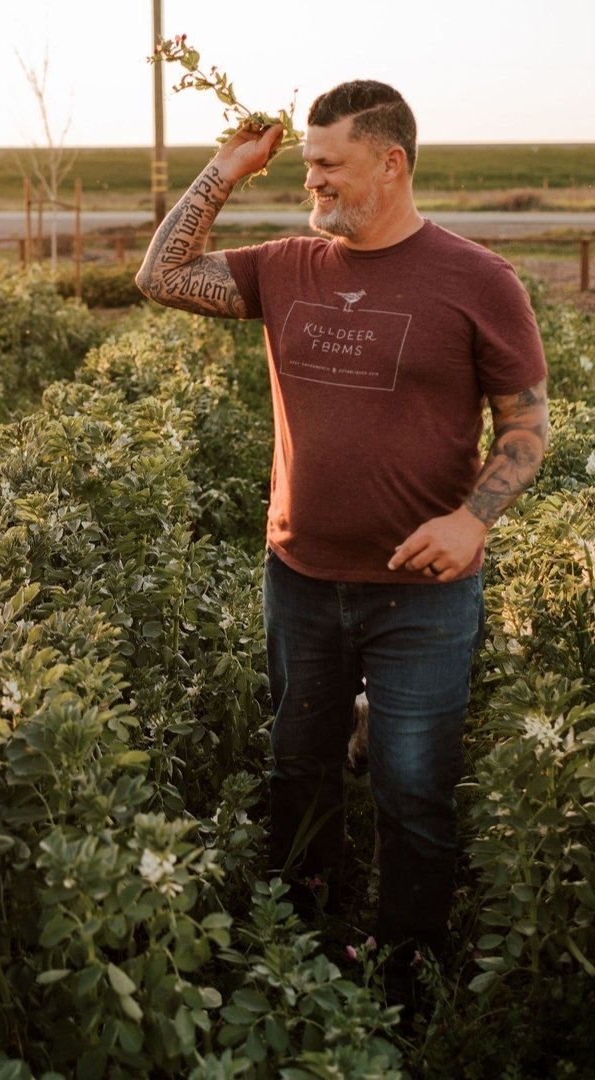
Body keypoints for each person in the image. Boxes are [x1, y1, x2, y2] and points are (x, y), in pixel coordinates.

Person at [136, 81, 548, 1002]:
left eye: (329, 164)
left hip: (424, 595)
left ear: (391, 164)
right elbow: (158, 278)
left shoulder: (479, 282)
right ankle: (303, 943)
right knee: (299, 770)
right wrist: (225, 168)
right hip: (303, 578)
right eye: (308, 162)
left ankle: (406, 974)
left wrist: (472, 518)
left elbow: (527, 425)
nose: (311, 179)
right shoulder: (286, 264)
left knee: (412, 791)